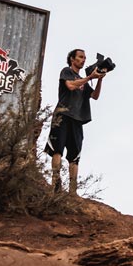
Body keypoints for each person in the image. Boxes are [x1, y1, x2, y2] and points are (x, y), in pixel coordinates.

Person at [43, 49, 107, 194]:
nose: (83, 60)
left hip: (77, 119)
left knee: (75, 155)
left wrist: (100, 79)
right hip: (63, 114)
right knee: (57, 149)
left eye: (84, 58)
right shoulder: (67, 71)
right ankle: (55, 184)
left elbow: (95, 96)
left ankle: (73, 190)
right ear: (72, 59)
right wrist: (90, 77)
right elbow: (71, 86)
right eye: (80, 57)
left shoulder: (83, 80)